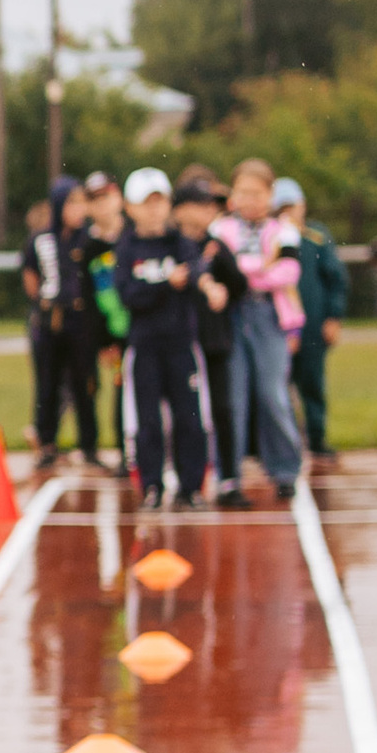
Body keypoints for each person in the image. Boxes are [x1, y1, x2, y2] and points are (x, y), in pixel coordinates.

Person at [114, 167, 216, 510]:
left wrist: (206, 285)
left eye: (160, 202)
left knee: (189, 417)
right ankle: (152, 484)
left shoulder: (180, 242)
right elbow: (128, 295)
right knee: (148, 421)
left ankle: (191, 486)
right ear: (131, 208)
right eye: (146, 203)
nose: (154, 210)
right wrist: (164, 285)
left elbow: (196, 270)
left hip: (180, 344)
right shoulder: (127, 248)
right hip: (145, 346)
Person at [211, 159, 305, 495]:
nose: (250, 200)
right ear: (232, 195)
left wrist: (244, 272)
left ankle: (284, 470)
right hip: (231, 319)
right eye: (243, 192)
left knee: (272, 394)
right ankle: (228, 473)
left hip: (268, 317)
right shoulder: (219, 229)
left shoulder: (283, 231)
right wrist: (258, 269)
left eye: (257, 193)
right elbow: (219, 270)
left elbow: (289, 272)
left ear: (270, 194)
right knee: (231, 397)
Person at [21, 176, 103, 470]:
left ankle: (89, 445)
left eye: (82, 202)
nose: (78, 209)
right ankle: (47, 443)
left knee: (85, 383)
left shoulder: (90, 238)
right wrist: (42, 306)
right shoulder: (41, 238)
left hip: (81, 319)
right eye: (72, 202)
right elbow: (30, 275)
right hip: (50, 321)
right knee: (48, 383)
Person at [171, 172, 241, 502]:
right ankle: (187, 479)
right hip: (179, 343)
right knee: (185, 415)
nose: (208, 211)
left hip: (213, 341)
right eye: (200, 205)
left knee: (222, 410)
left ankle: (228, 479)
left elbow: (240, 285)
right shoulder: (170, 247)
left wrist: (222, 277)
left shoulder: (216, 246)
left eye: (211, 206)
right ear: (181, 210)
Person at [276, 179, 349, 468]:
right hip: (279, 327)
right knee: (276, 388)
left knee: (312, 384)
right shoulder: (272, 237)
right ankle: (280, 443)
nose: (288, 213)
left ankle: (317, 439)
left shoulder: (316, 237)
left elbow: (336, 280)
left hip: (313, 326)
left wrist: (333, 316)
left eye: (291, 206)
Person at [81, 171, 130, 471]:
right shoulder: (87, 247)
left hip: (143, 326)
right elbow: (87, 298)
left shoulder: (134, 235)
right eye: (94, 200)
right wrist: (102, 341)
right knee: (121, 389)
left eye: (106, 197)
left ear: (119, 198)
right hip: (112, 331)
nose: (102, 206)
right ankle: (126, 451)